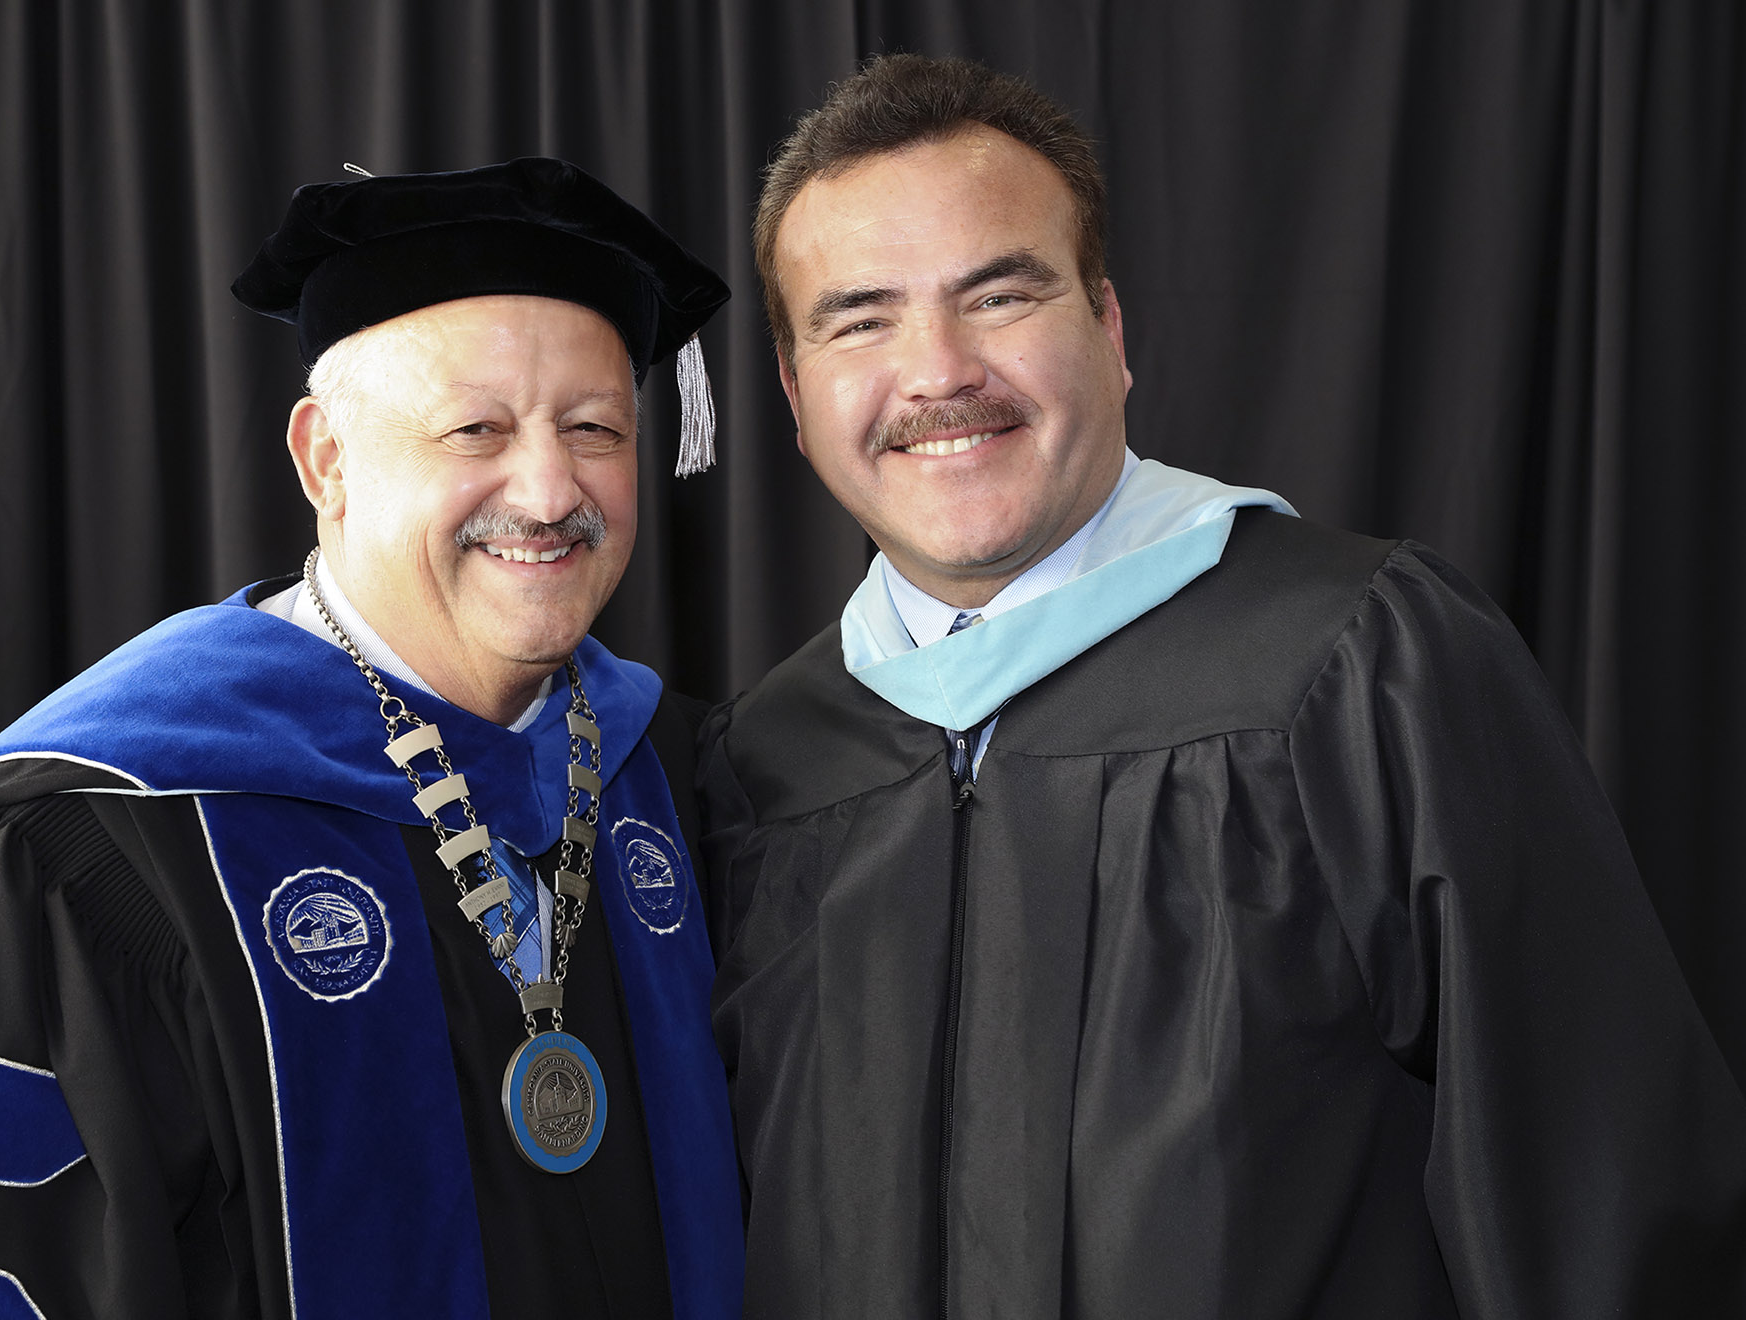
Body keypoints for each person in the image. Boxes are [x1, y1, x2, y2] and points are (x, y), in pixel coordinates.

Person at [698, 52, 1746, 1317]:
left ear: (1110, 328)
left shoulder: (1364, 665)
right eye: (860, 318)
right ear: (796, 394)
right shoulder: (768, 765)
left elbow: (1600, 1213)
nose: (937, 372)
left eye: (1001, 295)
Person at [0, 159, 743, 1319]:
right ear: (324, 459)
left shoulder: (679, 776)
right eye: (475, 427)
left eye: (595, 427)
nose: (546, 489)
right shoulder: (78, 850)